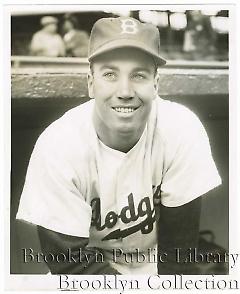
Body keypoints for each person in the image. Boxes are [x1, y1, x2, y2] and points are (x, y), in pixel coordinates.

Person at [16, 16, 221, 275]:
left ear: (156, 84)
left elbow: (178, 256)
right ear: (91, 83)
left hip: (158, 273)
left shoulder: (181, 130)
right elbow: (69, 262)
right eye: (110, 74)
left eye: (139, 75)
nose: (125, 90)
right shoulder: (58, 145)